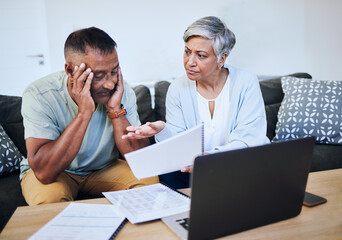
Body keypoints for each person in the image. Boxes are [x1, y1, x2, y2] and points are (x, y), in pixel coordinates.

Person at [123, 16, 269, 189]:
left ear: (221, 59)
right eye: (187, 51)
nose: (189, 62)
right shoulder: (177, 88)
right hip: (194, 171)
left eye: (201, 55)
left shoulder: (246, 82)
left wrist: (209, 158)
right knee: (168, 174)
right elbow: (179, 144)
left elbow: (248, 139)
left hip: (237, 166)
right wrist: (163, 130)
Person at [20, 27, 159, 206]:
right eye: (99, 75)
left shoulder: (121, 89)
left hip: (103, 168)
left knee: (149, 182)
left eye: (114, 71)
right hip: (59, 173)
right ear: (70, 71)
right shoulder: (39, 94)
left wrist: (116, 109)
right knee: (50, 201)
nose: (109, 84)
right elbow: (45, 173)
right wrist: (84, 113)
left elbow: (141, 161)